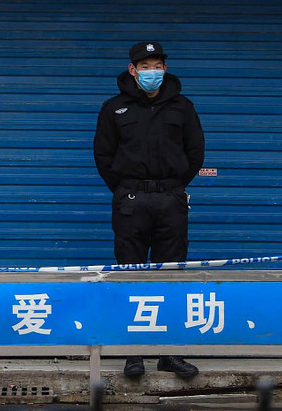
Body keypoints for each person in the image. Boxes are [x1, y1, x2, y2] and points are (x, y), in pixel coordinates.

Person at [93, 41, 205, 380]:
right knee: (131, 273)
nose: (151, 72)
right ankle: (134, 354)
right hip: (131, 200)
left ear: (164, 69)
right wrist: (127, 189)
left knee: (171, 276)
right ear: (132, 69)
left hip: (170, 198)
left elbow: (195, 152)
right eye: (145, 66)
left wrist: (173, 187)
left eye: (157, 65)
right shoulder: (114, 108)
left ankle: (169, 353)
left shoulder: (182, 107)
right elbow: (103, 156)